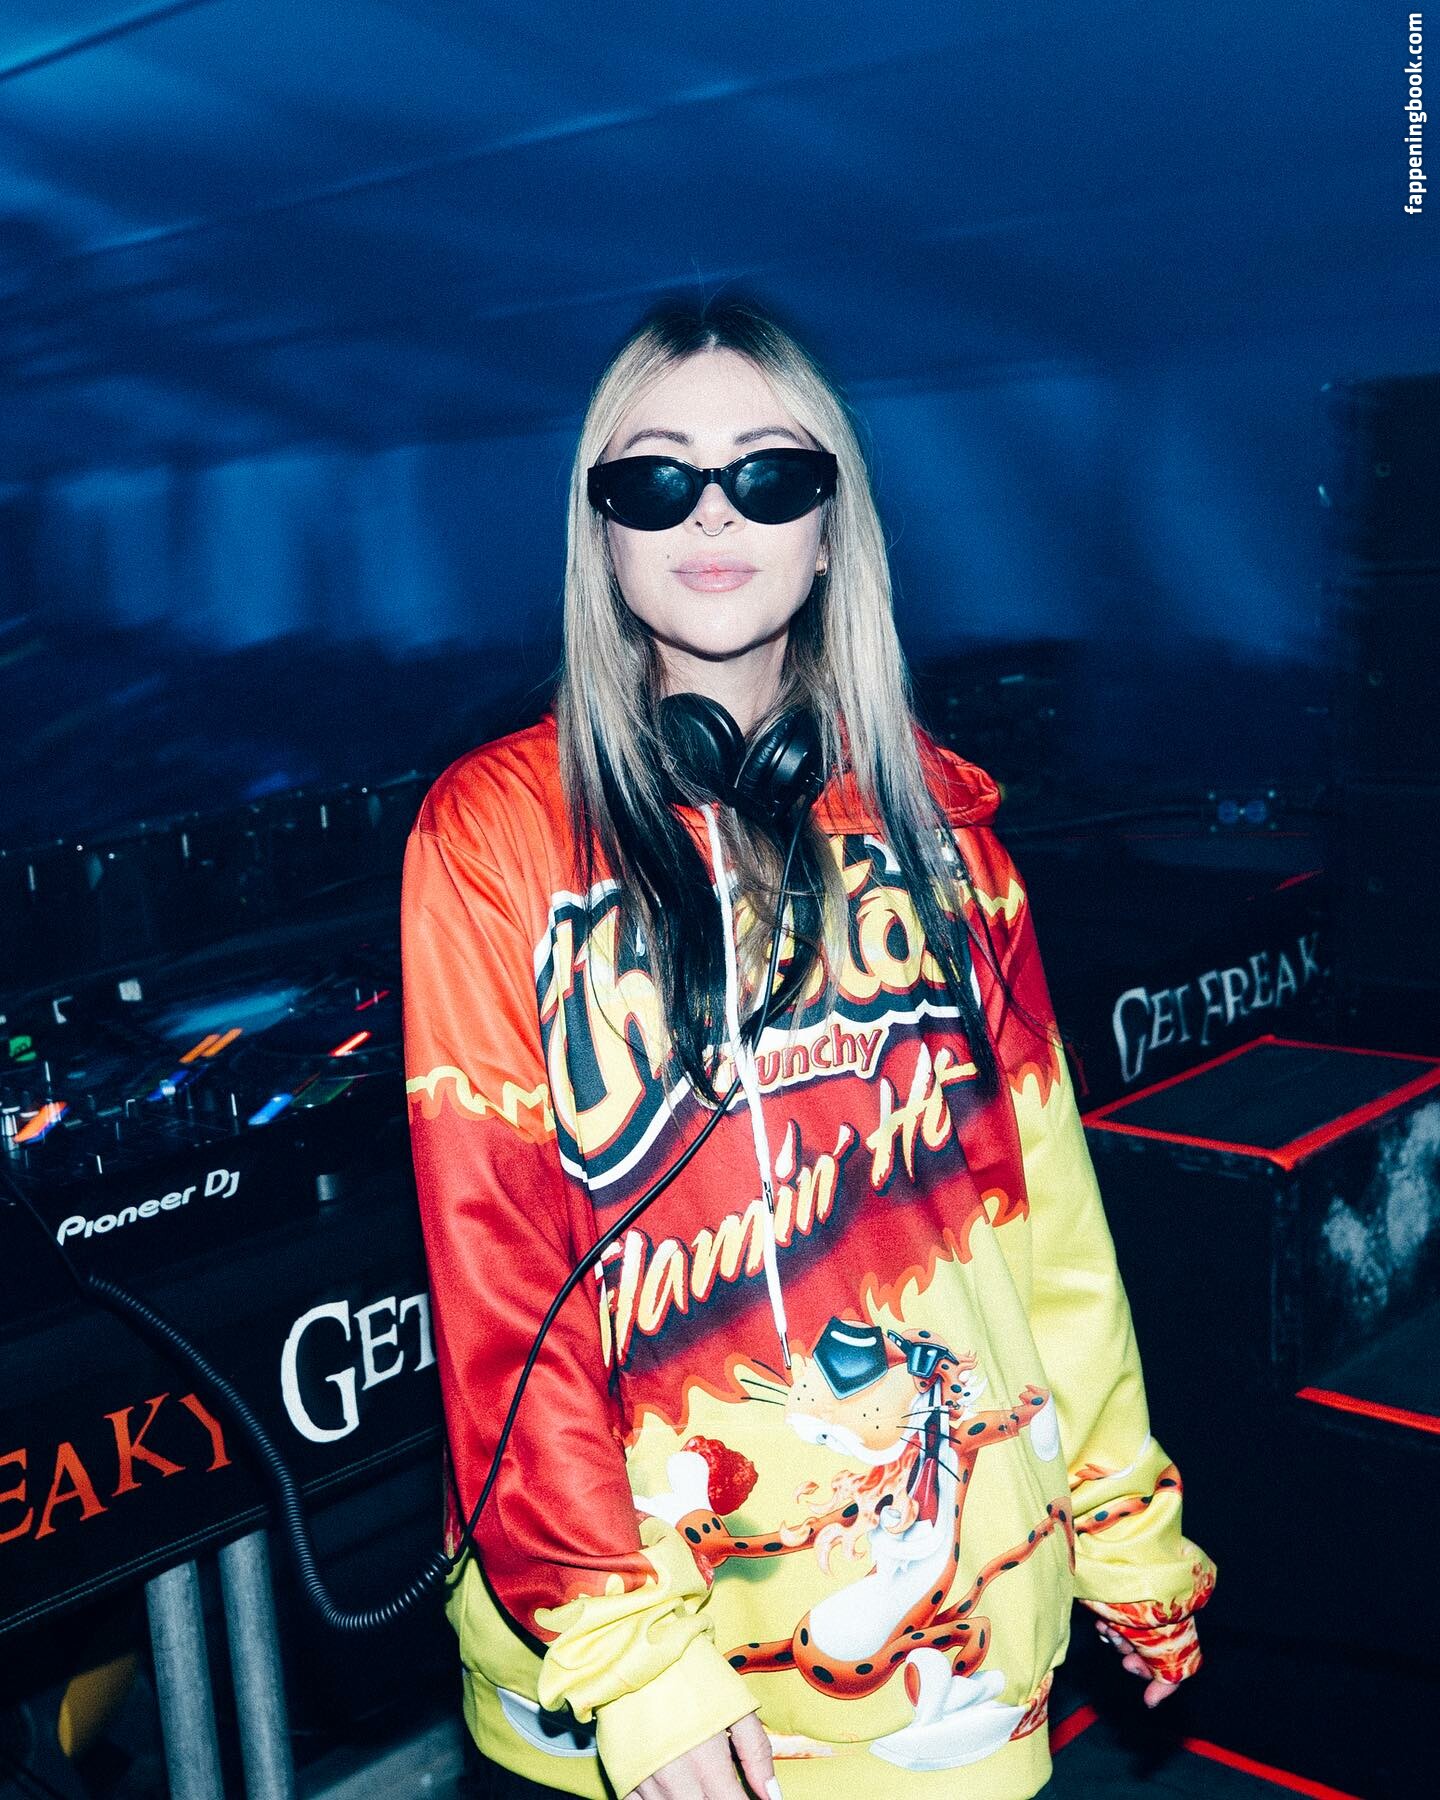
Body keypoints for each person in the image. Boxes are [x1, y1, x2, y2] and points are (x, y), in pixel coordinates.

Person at [399, 295, 1215, 1800]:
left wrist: (1122, 1528)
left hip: (946, 1667)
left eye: (770, 474)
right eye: (657, 477)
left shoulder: (945, 834)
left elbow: (1048, 1233)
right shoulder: (495, 840)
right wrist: (634, 1654)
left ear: (833, 527)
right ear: (602, 532)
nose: (714, 513)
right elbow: (497, 1276)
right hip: (635, 1690)